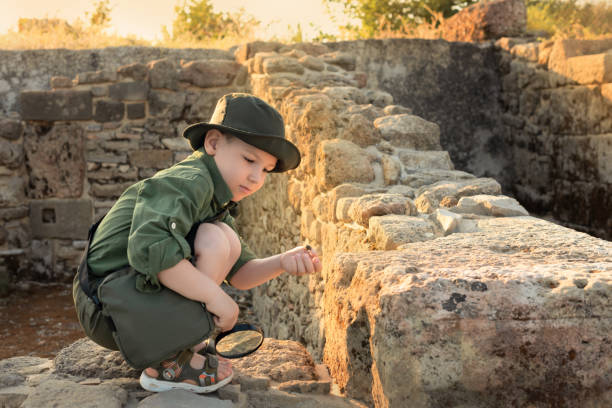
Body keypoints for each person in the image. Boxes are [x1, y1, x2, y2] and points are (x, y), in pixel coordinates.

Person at [72, 93, 321, 394]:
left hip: (125, 299)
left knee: (225, 238)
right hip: (105, 306)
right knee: (215, 239)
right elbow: (153, 251)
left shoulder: (217, 199)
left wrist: (282, 261)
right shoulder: (190, 182)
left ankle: (182, 345)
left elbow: (240, 273)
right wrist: (215, 299)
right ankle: (169, 363)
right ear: (213, 143)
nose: (256, 178)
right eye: (249, 160)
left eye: (266, 170)